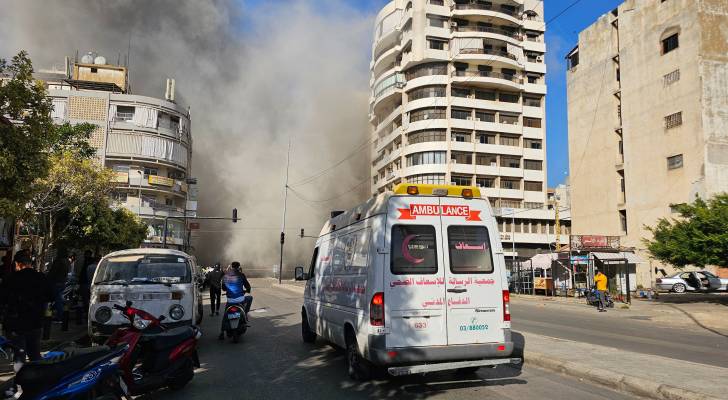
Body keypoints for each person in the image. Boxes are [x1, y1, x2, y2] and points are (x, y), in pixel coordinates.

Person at [0, 252, 54, 361]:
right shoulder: (41, 277)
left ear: (18, 264)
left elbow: (2, 299)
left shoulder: (11, 279)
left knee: (19, 355)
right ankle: (37, 376)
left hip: (16, 323)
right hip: (35, 322)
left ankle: (20, 376)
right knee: (34, 354)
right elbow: (51, 296)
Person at [219, 262, 252, 340]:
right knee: (250, 298)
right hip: (240, 299)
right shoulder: (241, 275)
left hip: (230, 300)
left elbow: (223, 288)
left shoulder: (226, 275)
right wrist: (247, 290)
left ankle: (221, 332)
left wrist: (229, 289)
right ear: (238, 267)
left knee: (225, 314)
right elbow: (248, 286)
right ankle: (245, 313)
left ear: (231, 266)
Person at [46, 248, 70, 322]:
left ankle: (60, 316)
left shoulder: (59, 261)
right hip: (62, 282)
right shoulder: (67, 261)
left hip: (56, 282)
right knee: (59, 298)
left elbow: (53, 272)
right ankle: (61, 314)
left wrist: (48, 278)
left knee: (57, 299)